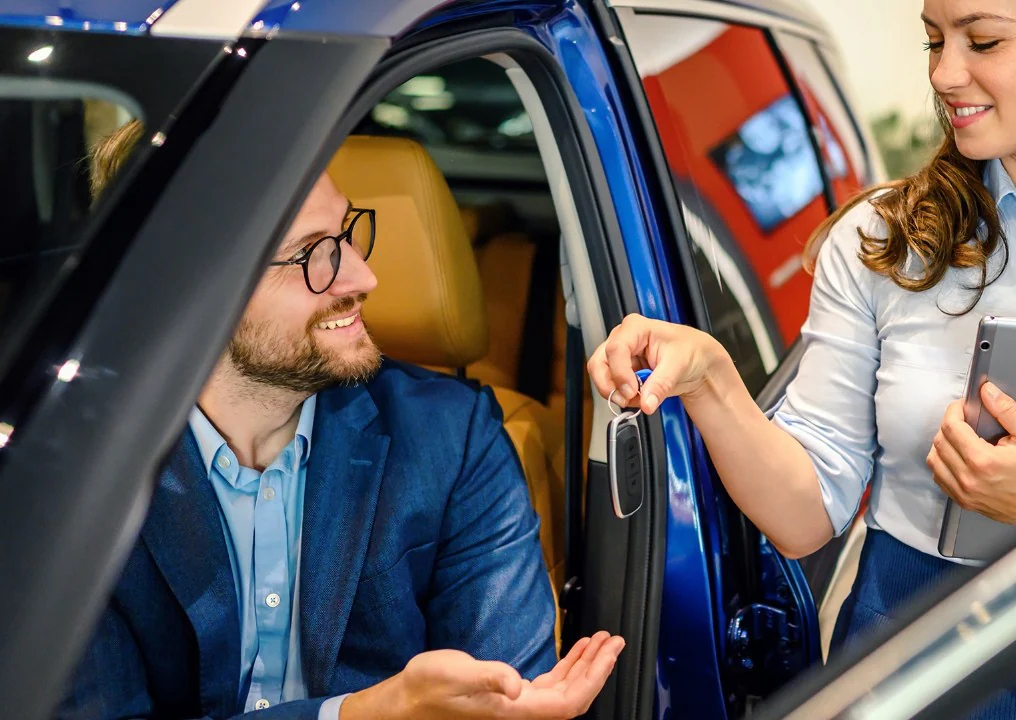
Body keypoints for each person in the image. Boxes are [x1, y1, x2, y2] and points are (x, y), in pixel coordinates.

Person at [589, 0, 1016, 717]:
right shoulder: (884, 242)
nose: (946, 73)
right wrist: (711, 380)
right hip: (899, 660)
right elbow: (804, 516)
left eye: (982, 41)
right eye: (933, 40)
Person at [60, 120, 624, 720]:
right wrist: (367, 713)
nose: (362, 276)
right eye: (312, 254)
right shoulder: (69, 473)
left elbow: (505, 702)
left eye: (348, 233)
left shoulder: (451, 438)